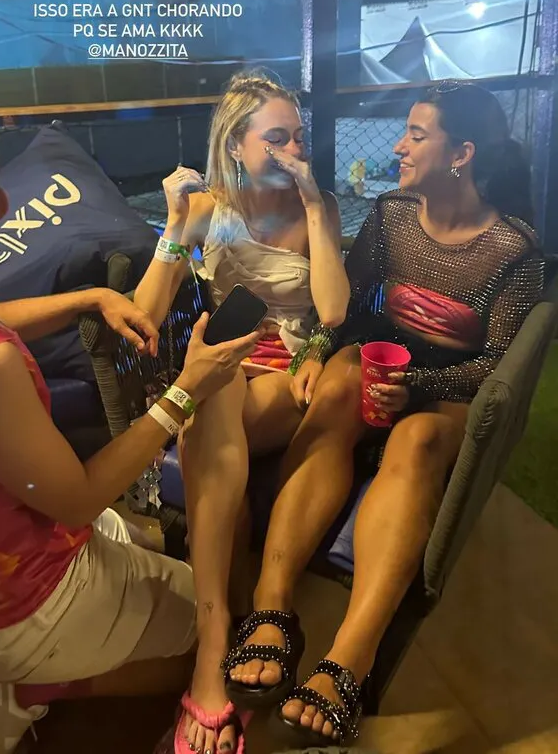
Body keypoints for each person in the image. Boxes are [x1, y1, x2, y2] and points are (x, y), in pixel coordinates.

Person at [221, 82, 545, 748]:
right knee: (335, 392)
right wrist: (318, 350)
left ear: (461, 154)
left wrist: (417, 385)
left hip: (448, 389)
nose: (399, 146)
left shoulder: (514, 249)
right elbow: (352, 305)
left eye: (416, 135)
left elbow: (498, 364)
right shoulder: (392, 214)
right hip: (378, 363)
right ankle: (272, 607)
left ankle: (352, 655)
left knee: (418, 440)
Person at [0, 99, 261, 754]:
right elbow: (79, 499)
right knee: (216, 633)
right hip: (11, 607)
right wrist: (185, 393)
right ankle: (18, 694)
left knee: (146, 543)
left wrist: (89, 295)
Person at [133, 71, 350, 754]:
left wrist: (313, 205)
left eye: (299, 137)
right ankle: (230, 635)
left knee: (207, 415)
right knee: (214, 396)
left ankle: (211, 649)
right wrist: (176, 225)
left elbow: (333, 311)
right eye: (276, 138)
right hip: (221, 372)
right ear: (236, 145)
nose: (293, 150)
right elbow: (145, 313)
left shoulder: (319, 204)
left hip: (287, 375)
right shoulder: (210, 208)